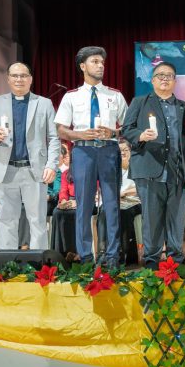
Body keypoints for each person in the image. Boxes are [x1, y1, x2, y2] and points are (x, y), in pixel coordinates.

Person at [55, 46, 128, 266]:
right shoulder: (71, 96)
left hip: (109, 151)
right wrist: (79, 134)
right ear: (82, 66)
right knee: (84, 206)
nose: (100, 66)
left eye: (102, 62)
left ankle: (112, 257)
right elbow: (60, 129)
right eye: (95, 62)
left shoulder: (115, 95)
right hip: (83, 151)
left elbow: (128, 127)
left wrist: (113, 133)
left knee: (112, 205)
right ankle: (86, 258)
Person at [122, 62, 185, 269]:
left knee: (177, 219)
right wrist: (141, 136)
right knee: (151, 218)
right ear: (153, 80)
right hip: (149, 169)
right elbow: (127, 129)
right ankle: (152, 261)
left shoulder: (183, 107)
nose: (165, 79)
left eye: (169, 75)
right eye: (160, 75)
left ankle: (175, 262)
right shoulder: (140, 102)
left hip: (178, 170)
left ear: (175, 81)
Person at [0, 61, 60, 250]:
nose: (19, 79)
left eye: (23, 75)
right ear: (8, 79)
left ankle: (38, 264)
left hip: (34, 169)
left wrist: (51, 165)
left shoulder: (44, 103)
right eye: (15, 75)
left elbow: (54, 137)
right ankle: (9, 262)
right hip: (5, 168)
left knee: (37, 220)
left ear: (30, 79)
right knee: (7, 220)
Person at [96, 141, 142, 265]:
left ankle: (124, 252)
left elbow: (140, 188)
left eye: (125, 150)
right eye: (120, 150)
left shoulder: (136, 167)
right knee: (104, 212)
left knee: (124, 213)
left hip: (134, 201)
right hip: (117, 201)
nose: (122, 153)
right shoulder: (113, 169)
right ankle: (102, 251)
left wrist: (125, 193)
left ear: (131, 152)